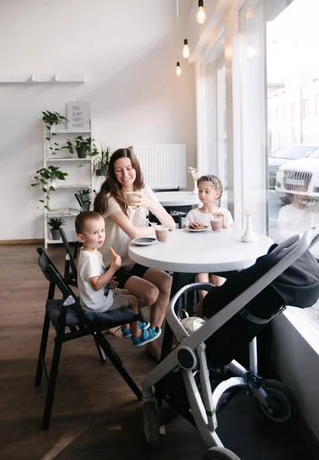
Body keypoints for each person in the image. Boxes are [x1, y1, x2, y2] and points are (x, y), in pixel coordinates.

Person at [94, 147, 175, 360]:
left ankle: (150, 336)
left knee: (166, 281)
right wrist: (157, 230)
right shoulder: (110, 197)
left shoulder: (144, 190)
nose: (125, 175)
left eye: (129, 168)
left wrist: (149, 204)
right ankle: (119, 318)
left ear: (135, 168)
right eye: (118, 170)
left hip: (135, 258)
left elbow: (171, 224)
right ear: (113, 173)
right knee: (149, 294)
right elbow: (133, 231)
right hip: (112, 264)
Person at [75, 211, 161, 347]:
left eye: (102, 230)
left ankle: (127, 328)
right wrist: (113, 269)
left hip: (97, 298)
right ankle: (137, 334)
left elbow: (95, 280)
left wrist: (108, 282)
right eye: (94, 233)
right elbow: (96, 285)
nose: (101, 235)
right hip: (96, 305)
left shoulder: (91, 251)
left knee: (126, 292)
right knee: (133, 300)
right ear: (81, 238)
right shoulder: (89, 259)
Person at [184, 175, 234, 299]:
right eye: (200, 190)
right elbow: (182, 235)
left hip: (219, 257)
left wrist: (224, 224)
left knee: (220, 287)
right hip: (199, 258)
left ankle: (218, 312)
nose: (202, 194)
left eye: (207, 191)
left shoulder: (224, 214)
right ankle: (203, 311)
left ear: (217, 194)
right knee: (203, 286)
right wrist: (191, 227)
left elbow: (232, 235)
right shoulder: (193, 214)